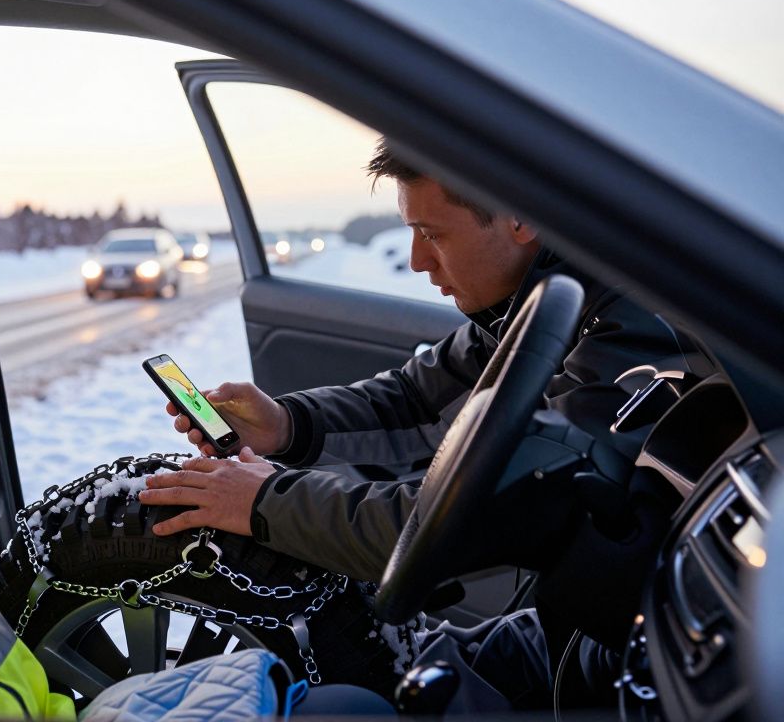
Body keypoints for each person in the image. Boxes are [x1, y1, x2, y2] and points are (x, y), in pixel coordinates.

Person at [137, 138, 694, 711]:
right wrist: (284, 425)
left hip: (624, 656)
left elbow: (483, 514)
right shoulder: (532, 303)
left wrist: (264, 503)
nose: (417, 261)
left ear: (520, 217)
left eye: (432, 233)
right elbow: (414, 400)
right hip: (569, 636)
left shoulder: (628, 335)